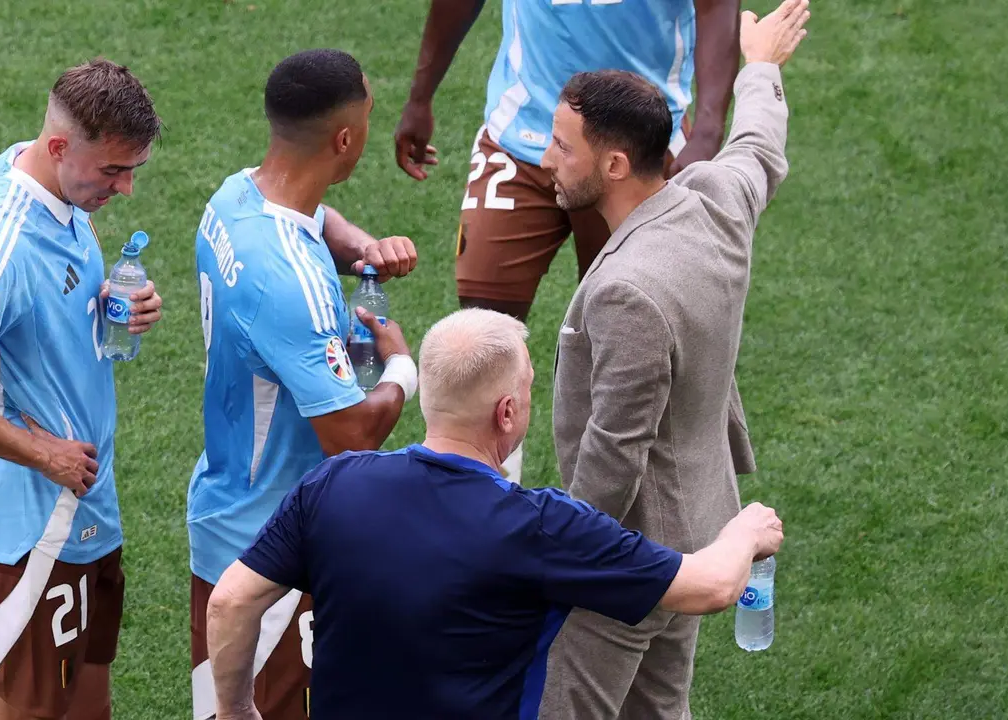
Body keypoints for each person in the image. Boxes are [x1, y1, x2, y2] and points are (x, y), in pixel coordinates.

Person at [204, 308, 786, 720]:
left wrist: (234, 709)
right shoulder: (540, 526)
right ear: (506, 412)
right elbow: (708, 587)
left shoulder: (332, 486)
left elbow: (231, 601)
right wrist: (744, 530)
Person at [540, 3, 809, 718]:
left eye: (562, 147)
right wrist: (760, 68)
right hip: (701, 529)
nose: (545, 160)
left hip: (634, 559)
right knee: (660, 711)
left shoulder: (627, 291)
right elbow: (758, 149)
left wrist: (558, 560)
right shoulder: (715, 199)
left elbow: (614, 455)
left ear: (615, 163)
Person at [394, 0, 742, 483]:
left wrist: (707, 127)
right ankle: (487, 507)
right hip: (518, 138)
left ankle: (623, 513)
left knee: (630, 331)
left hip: (631, 152)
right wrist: (420, 95)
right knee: (484, 336)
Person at [0, 58, 164, 720]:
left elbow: (43, 305)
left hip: (86, 516)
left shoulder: (53, 185)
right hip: (24, 532)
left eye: (132, 168)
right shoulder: (0, 246)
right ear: (59, 148)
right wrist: (43, 453)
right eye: (114, 171)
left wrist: (108, 302)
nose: (127, 187)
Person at [187, 48, 420, 720]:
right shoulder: (287, 282)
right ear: (345, 138)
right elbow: (348, 434)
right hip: (274, 541)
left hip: (230, 503)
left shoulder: (237, 196)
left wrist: (364, 250)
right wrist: (403, 366)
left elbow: (316, 223)